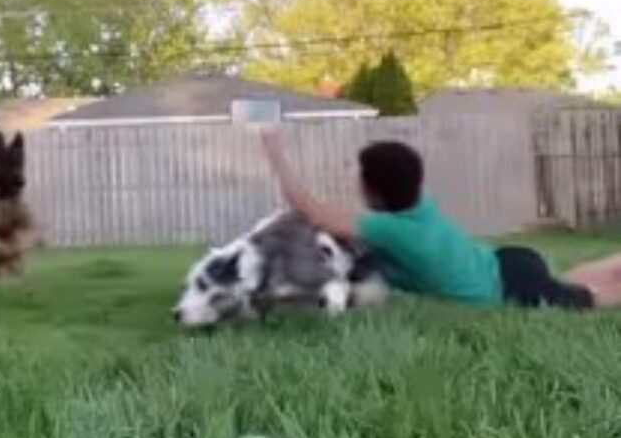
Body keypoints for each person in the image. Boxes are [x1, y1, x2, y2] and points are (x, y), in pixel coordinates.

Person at [260, 130, 621, 309]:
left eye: (359, 175)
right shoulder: (417, 204)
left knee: (592, 298)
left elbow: (308, 208)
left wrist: (274, 151)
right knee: (574, 281)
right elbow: (339, 216)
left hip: (507, 289)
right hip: (507, 261)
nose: (353, 180)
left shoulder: (391, 229)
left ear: (373, 187)